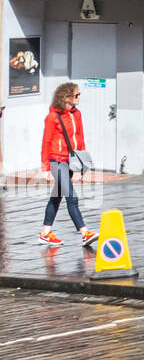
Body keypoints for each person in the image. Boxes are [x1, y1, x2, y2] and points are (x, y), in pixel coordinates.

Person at [38, 82, 97, 248]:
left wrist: (83, 164)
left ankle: (45, 234)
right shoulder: (52, 117)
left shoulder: (77, 114)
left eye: (79, 95)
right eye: (76, 95)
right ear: (66, 97)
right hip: (56, 161)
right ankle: (84, 233)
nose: (79, 98)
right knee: (72, 197)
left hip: (70, 161)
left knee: (56, 197)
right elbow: (46, 142)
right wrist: (45, 168)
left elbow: (80, 138)